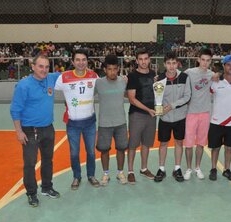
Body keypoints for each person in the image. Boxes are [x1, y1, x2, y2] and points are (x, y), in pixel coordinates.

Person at [10, 54, 60, 207]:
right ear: (32, 66)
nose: (44, 70)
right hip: (29, 130)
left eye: (46, 67)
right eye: (40, 66)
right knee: (30, 163)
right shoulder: (23, 85)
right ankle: (31, 193)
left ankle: (47, 187)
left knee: (47, 160)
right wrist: (19, 131)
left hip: (48, 128)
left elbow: (73, 74)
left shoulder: (51, 78)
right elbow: (15, 110)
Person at [55, 49, 100, 190]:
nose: (81, 63)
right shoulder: (64, 77)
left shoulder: (94, 76)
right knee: (74, 152)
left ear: (87, 61)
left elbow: (106, 86)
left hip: (90, 123)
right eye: (78, 60)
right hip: (73, 124)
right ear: (73, 61)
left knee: (91, 152)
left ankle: (91, 175)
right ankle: (76, 176)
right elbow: (47, 83)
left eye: (84, 60)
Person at [153, 52, 191, 183]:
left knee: (179, 142)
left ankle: (177, 168)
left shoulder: (185, 77)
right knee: (163, 143)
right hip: (165, 119)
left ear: (177, 64)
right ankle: (161, 169)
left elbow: (187, 97)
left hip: (180, 117)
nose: (171, 66)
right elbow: (157, 99)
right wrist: (160, 109)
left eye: (174, 63)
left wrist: (172, 106)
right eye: (169, 63)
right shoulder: (159, 79)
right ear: (164, 64)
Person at [208, 55, 231, 181]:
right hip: (216, 122)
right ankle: (213, 169)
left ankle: (226, 170)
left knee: (229, 148)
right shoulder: (215, 81)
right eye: (228, 64)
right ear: (223, 66)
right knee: (215, 147)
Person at [94, 55, 128, 186]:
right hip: (104, 123)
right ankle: (106, 174)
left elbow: (132, 94)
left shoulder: (123, 81)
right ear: (105, 69)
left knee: (121, 148)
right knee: (104, 149)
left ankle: (120, 172)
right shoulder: (98, 83)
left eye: (115, 69)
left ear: (118, 69)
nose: (112, 72)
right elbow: (85, 96)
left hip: (121, 123)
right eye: (109, 69)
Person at [183, 48, 215, 180]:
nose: (205, 63)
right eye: (203, 60)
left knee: (201, 143)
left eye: (208, 61)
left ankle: (197, 167)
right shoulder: (189, 72)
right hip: (191, 113)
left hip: (205, 113)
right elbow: (174, 75)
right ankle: (189, 168)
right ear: (198, 60)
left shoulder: (212, 75)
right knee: (189, 144)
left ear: (210, 61)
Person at [126, 48, 156, 184]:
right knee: (133, 144)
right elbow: (132, 99)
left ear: (149, 60)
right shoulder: (132, 76)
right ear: (137, 61)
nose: (144, 62)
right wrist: (148, 110)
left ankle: (144, 168)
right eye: (141, 59)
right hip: (137, 115)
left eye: (146, 59)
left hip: (152, 115)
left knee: (147, 144)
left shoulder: (153, 74)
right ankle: (130, 171)